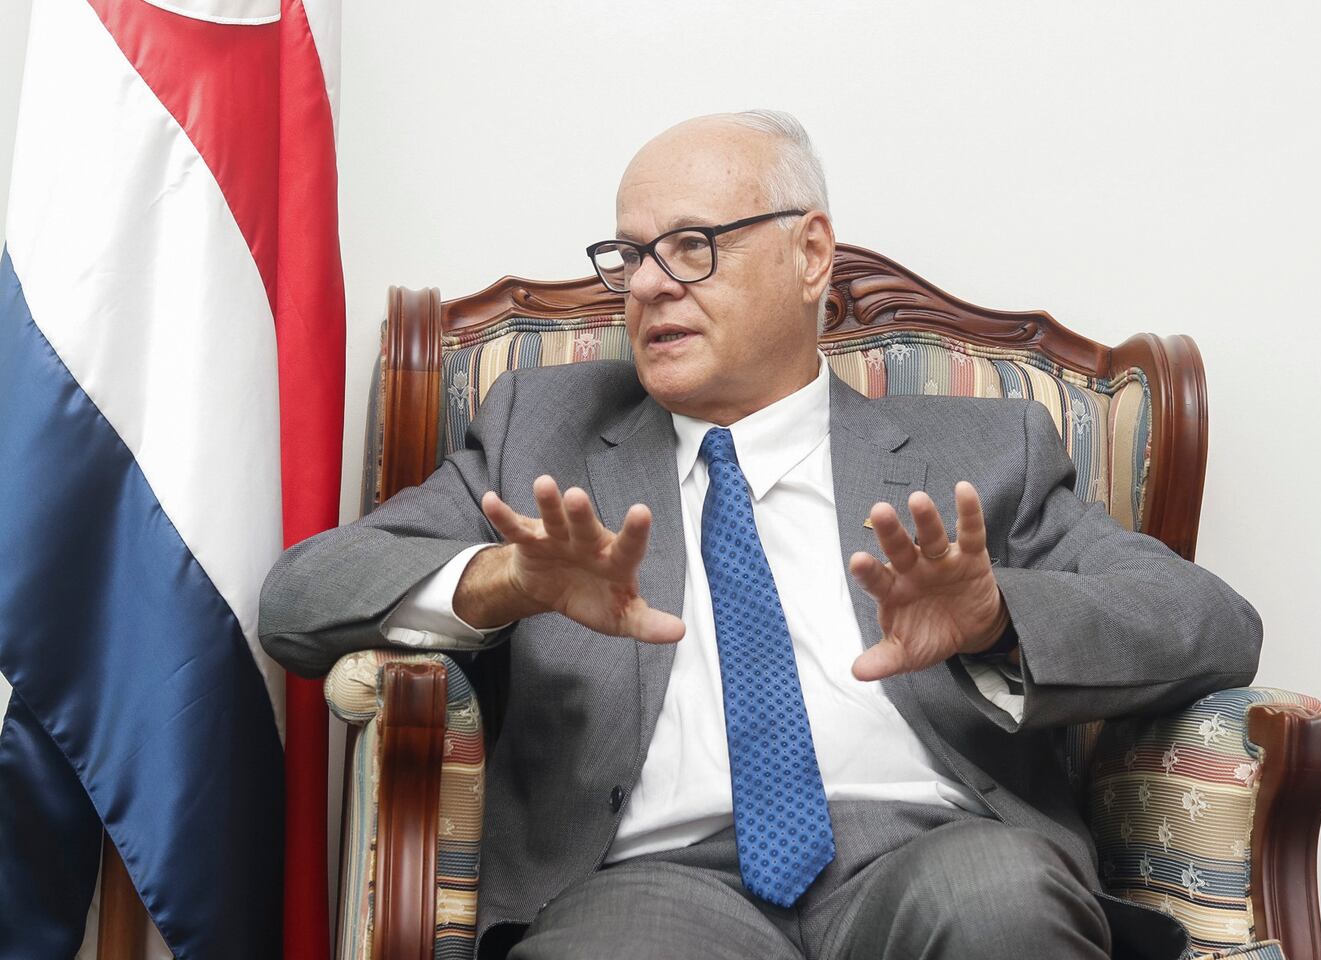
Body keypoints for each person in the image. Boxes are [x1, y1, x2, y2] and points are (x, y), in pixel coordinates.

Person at [260, 110, 1261, 960]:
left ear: (810, 253)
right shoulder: (540, 434)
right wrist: (502, 583)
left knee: (1000, 904)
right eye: (629, 255)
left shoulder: (984, 450)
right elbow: (299, 599)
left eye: (692, 245)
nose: (647, 285)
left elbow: (1210, 624)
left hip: (933, 850)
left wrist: (1001, 619)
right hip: (649, 883)